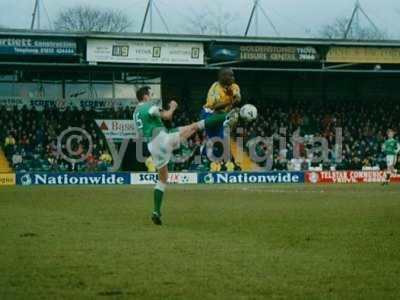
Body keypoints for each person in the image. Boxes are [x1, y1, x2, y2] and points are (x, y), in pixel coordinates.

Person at [133, 86, 239, 225]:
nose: (152, 97)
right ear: (145, 97)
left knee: (163, 178)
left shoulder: (135, 112)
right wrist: (172, 107)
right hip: (161, 138)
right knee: (195, 127)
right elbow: (166, 116)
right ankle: (227, 116)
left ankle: (156, 211)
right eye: (150, 94)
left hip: (152, 145)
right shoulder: (149, 106)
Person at [200, 67, 241, 140]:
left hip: (222, 114)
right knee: (217, 139)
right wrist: (230, 100)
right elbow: (214, 107)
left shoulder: (234, 86)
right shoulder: (215, 88)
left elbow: (238, 99)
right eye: (231, 75)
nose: (233, 78)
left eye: (233, 75)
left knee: (236, 111)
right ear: (223, 76)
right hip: (209, 114)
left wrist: (234, 98)